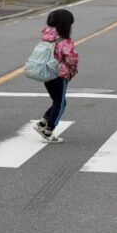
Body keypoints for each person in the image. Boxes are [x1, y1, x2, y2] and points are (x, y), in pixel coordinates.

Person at [32, 9, 79, 144]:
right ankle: (48, 131)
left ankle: (42, 123)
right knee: (61, 103)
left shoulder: (46, 36)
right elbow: (71, 58)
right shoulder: (65, 40)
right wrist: (73, 70)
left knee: (57, 100)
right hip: (59, 74)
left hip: (46, 73)